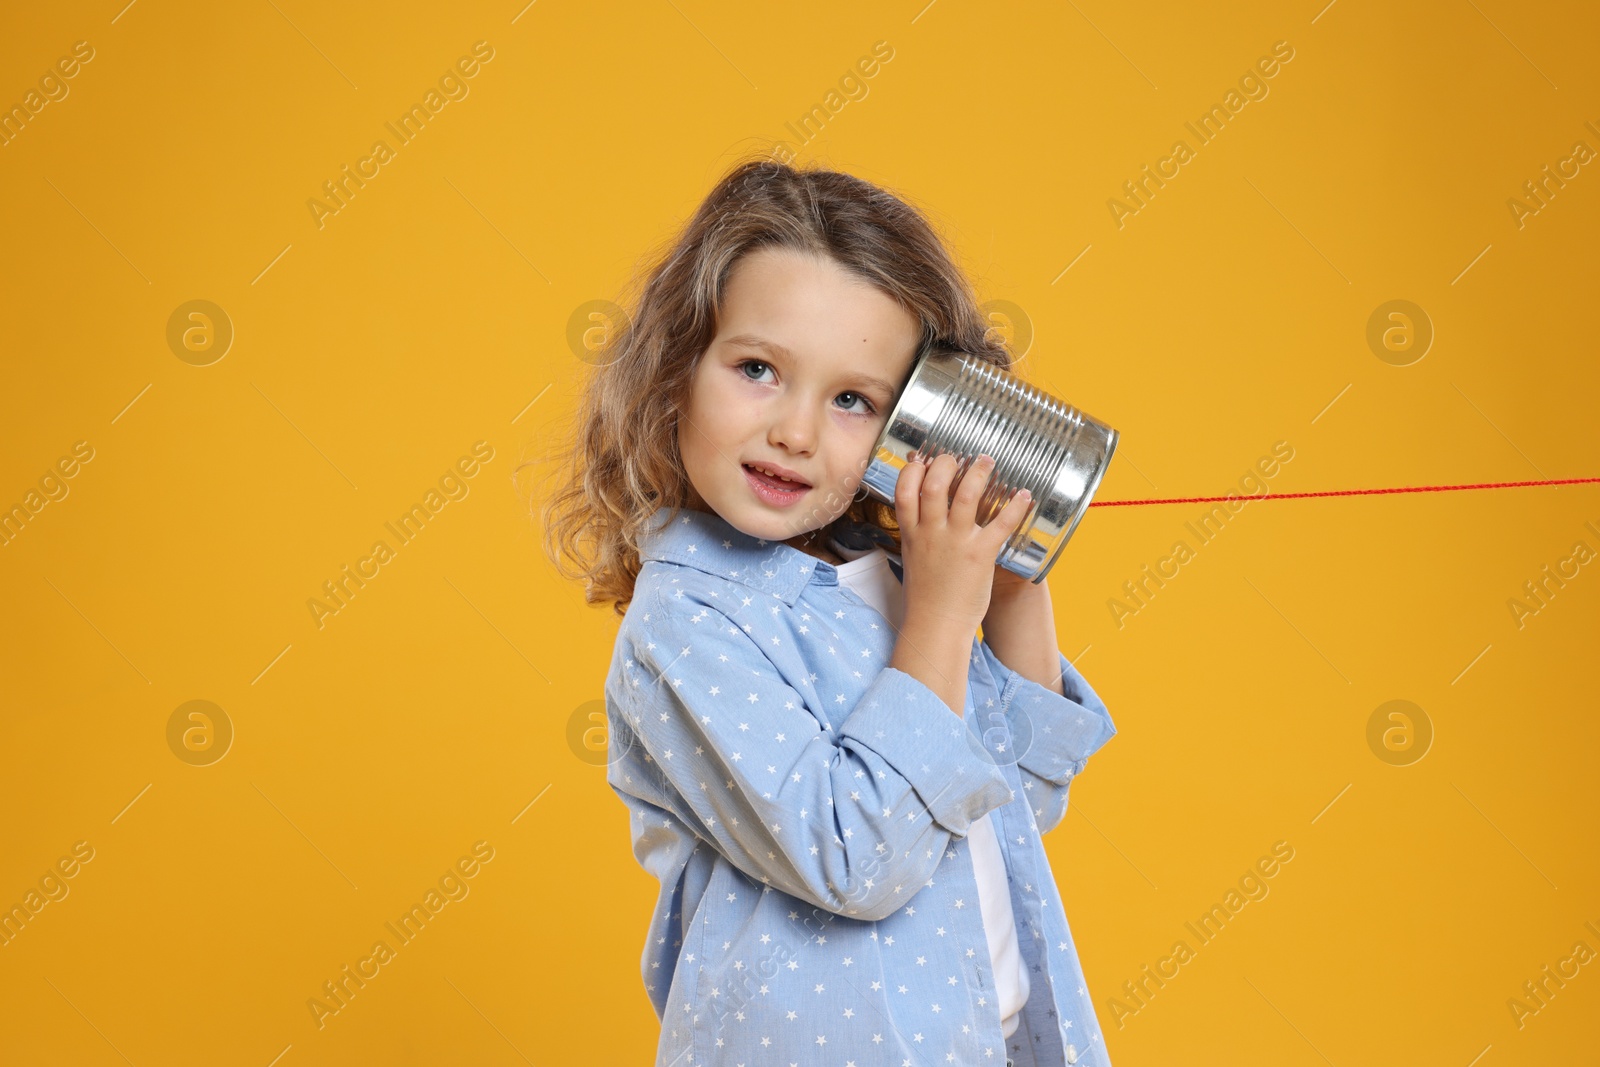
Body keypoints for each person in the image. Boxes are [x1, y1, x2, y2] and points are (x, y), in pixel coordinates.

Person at [540, 155, 1118, 1067]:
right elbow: (855, 856)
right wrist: (939, 613)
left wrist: (1010, 587)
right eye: (759, 369)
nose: (797, 432)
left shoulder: (884, 571)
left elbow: (1016, 802)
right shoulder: (688, 619)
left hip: (980, 1039)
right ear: (677, 368)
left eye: (853, 399)